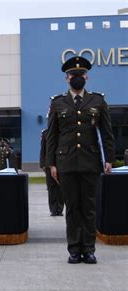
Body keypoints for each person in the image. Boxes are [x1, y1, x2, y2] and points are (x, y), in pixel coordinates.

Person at [46, 55, 115, 264]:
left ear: (87, 77)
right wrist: (51, 164)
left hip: (90, 161)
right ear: (67, 78)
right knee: (72, 207)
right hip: (65, 163)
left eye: (81, 74)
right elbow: (52, 136)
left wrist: (109, 159)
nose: (77, 77)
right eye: (73, 74)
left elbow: (107, 133)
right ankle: (74, 249)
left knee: (89, 207)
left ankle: (89, 249)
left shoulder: (98, 100)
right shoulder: (57, 102)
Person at [40, 129, 64, 216]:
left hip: (60, 163)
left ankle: (60, 209)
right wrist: (42, 163)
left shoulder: (62, 131)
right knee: (51, 187)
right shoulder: (45, 133)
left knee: (60, 187)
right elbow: (43, 150)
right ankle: (53, 209)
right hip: (48, 164)